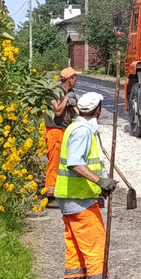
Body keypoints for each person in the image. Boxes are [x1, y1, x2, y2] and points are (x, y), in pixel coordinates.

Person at [54, 91, 127, 279]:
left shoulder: (73, 128)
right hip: (81, 202)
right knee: (96, 251)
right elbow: (76, 163)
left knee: (75, 251)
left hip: (72, 201)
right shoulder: (83, 132)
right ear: (98, 110)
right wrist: (101, 181)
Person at [45, 67, 79, 204]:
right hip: (55, 131)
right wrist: (66, 100)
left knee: (64, 164)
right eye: (75, 78)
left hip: (66, 131)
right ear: (70, 79)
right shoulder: (54, 92)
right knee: (54, 162)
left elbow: (76, 112)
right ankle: (50, 194)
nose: (77, 81)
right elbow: (58, 111)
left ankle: (62, 190)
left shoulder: (71, 92)